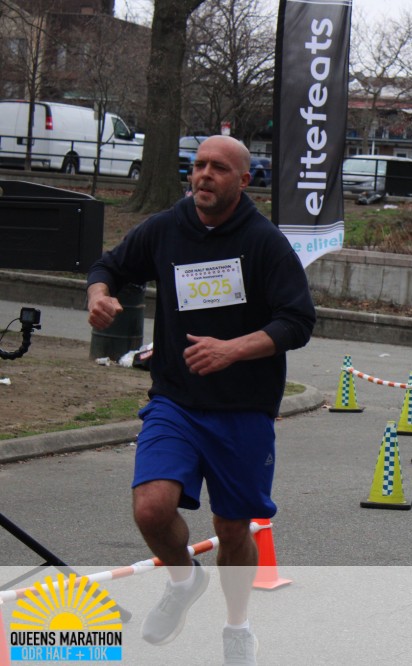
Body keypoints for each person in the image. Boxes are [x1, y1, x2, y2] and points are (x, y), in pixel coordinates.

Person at [86, 135, 316, 665]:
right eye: (198, 165)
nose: (204, 175)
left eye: (218, 168)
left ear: (244, 180)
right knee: (151, 508)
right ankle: (184, 580)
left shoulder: (264, 242)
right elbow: (109, 266)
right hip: (176, 400)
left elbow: (298, 321)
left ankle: (237, 627)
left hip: (243, 408)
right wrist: (99, 296)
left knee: (232, 529)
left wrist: (233, 349)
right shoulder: (168, 227)